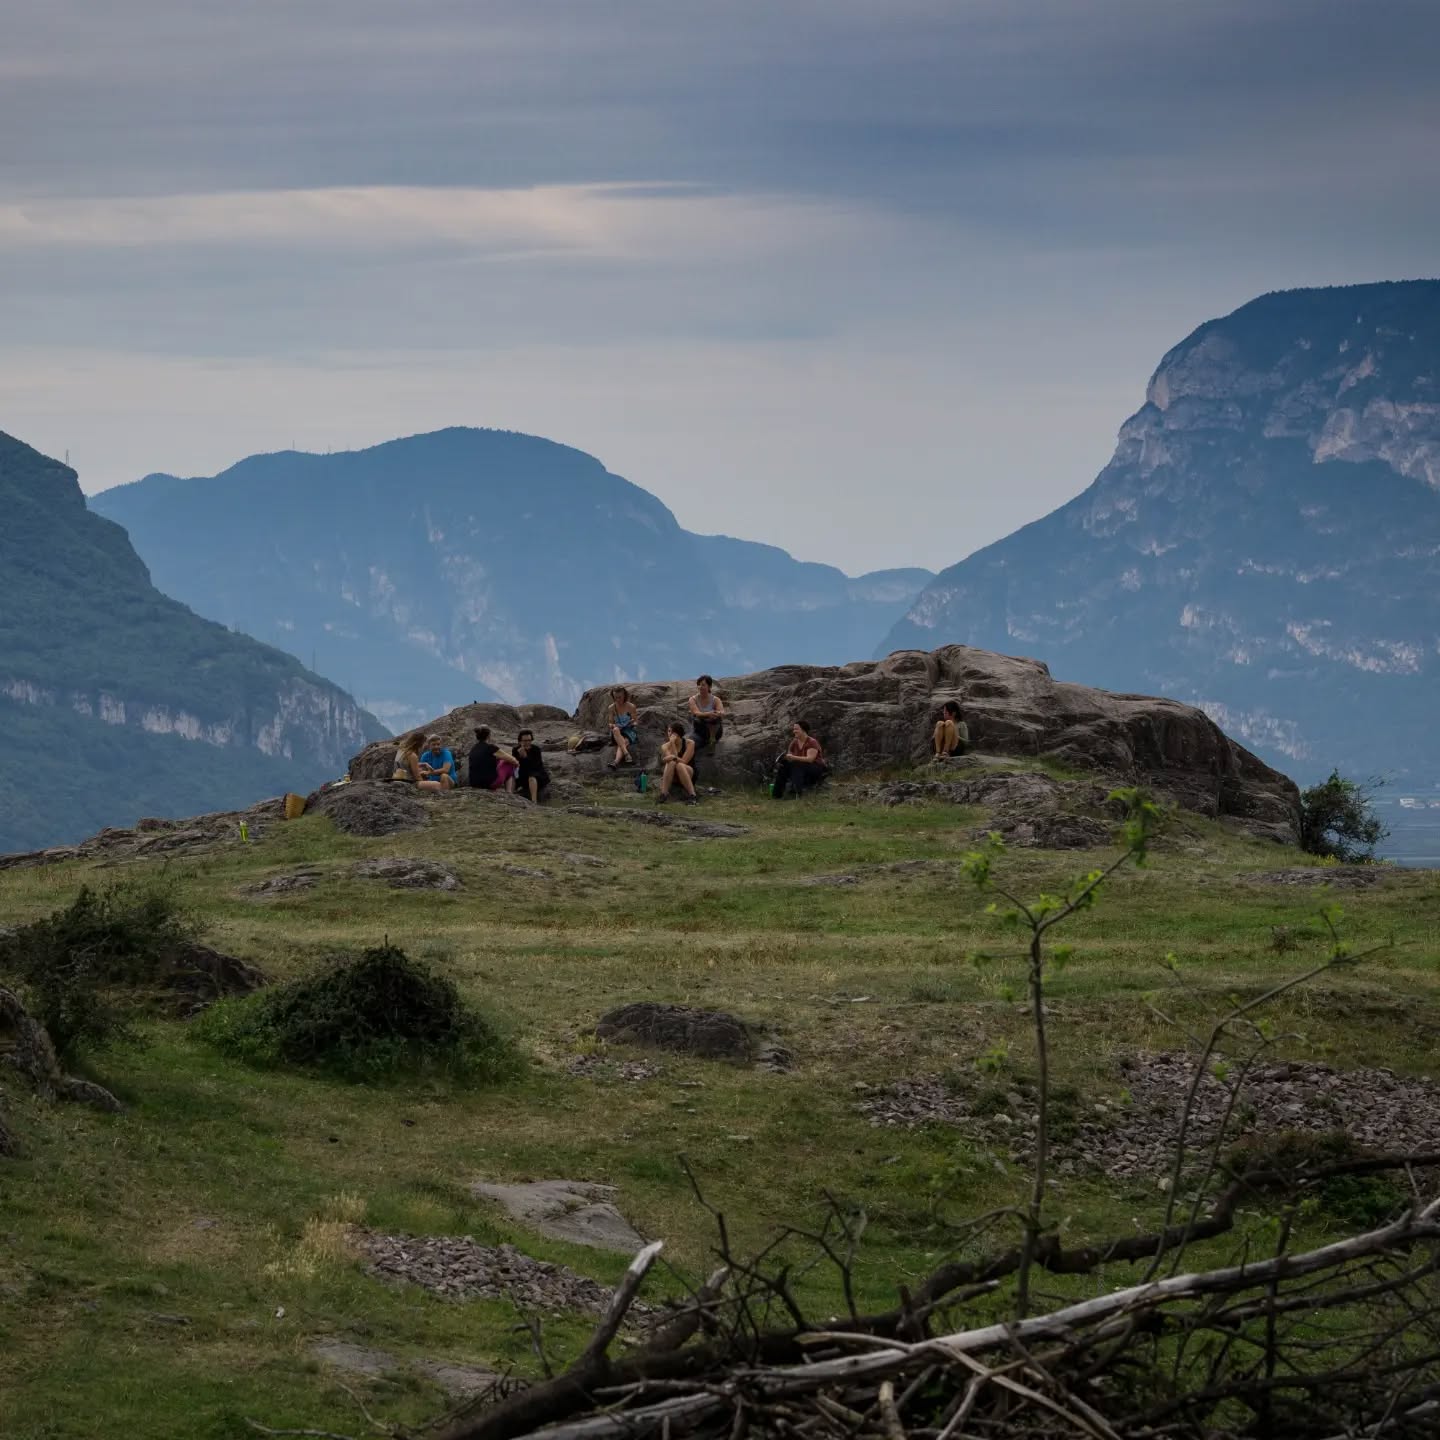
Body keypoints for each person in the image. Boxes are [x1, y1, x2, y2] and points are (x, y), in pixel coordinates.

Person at [772, 719, 826, 799]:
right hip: (801, 766)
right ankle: (776, 795)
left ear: (803, 730)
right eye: (794, 729)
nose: (794, 731)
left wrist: (793, 758)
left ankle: (797, 793)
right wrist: (786, 759)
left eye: (796, 729)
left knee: (797, 765)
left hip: (816, 768)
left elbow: (810, 759)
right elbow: (790, 755)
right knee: (784, 765)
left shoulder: (812, 742)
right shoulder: (794, 742)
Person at [657, 720, 698, 804]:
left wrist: (673, 755)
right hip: (673, 774)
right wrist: (672, 744)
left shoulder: (689, 743)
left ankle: (692, 795)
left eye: (670, 731)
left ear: (676, 733)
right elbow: (671, 759)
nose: (668, 733)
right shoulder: (665, 746)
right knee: (672, 762)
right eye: (668, 731)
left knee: (680, 765)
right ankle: (664, 794)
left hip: (688, 772)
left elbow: (684, 761)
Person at [468, 726, 518, 791]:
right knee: (509, 764)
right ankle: (509, 792)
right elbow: (512, 760)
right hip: (489, 783)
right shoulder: (490, 747)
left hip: (474, 783)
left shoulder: (473, 749)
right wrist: (517, 763)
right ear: (489, 736)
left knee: (498, 760)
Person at [688, 674, 726, 751]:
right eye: (699, 685)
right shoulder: (693, 699)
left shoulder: (716, 700)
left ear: (709, 686)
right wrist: (709, 714)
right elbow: (696, 713)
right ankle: (706, 742)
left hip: (714, 732)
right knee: (691, 743)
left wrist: (717, 713)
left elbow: (722, 712)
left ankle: (712, 740)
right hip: (699, 731)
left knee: (715, 718)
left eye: (703, 685)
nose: (700, 687)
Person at [607, 687, 640, 768]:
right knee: (615, 730)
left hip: (629, 730)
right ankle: (626, 754)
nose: (618, 699)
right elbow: (610, 723)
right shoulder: (611, 708)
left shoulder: (631, 706)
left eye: (620, 697)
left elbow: (636, 721)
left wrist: (632, 723)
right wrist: (613, 725)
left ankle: (615, 762)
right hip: (617, 731)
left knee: (622, 743)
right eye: (616, 697)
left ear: (624, 695)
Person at [513, 729, 549, 803]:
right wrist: (519, 757)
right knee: (511, 775)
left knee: (531, 776)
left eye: (529, 740)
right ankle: (511, 796)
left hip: (537, 775)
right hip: (522, 774)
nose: (527, 743)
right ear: (520, 741)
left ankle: (534, 801)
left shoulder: (536, 749)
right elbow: (516, 765)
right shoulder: (516, 750)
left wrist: (525, 756)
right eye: (525, 741)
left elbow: (535, 766)